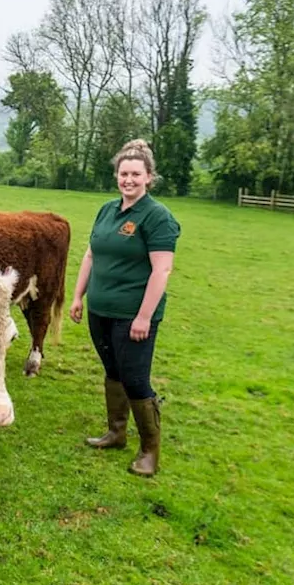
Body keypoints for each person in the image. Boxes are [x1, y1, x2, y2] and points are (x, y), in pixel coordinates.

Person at [68, 139, 181, 477]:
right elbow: (91, 255)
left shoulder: (157, 217)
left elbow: (162, 269)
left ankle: (149, 450)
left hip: (133, 314)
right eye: (123, 173)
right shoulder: (107, 210)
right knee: (113, 371)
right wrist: (77, 296)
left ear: (149, 177)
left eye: (135, 174)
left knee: (135, 378)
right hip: (100, 309)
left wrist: (144, 315)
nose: (128, 180)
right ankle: (115, 433)